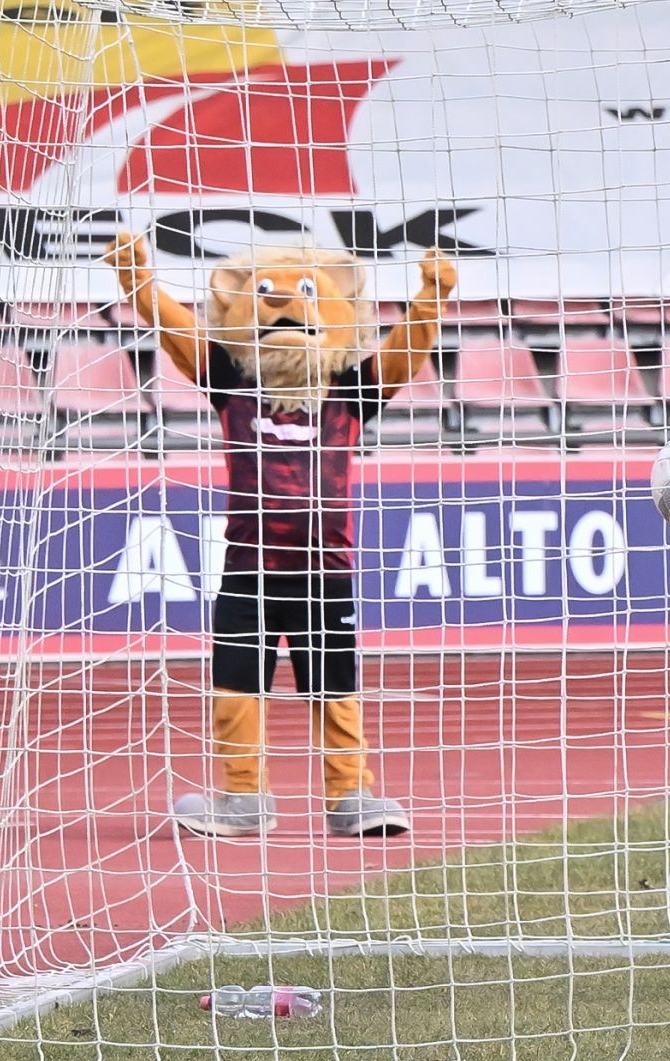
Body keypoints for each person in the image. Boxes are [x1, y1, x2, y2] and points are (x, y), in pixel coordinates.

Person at [105, 232, 454, 836]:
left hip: (326, 571)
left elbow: (404, 352)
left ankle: (352, 797)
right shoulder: (231, 385)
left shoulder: (350, 393)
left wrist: (431, 298)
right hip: (248, 570)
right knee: (236, 686)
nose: (284, 306)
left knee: (334, 688)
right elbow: (178, 332)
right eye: (265, 294)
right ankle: (244, 799)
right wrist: (138, 280)